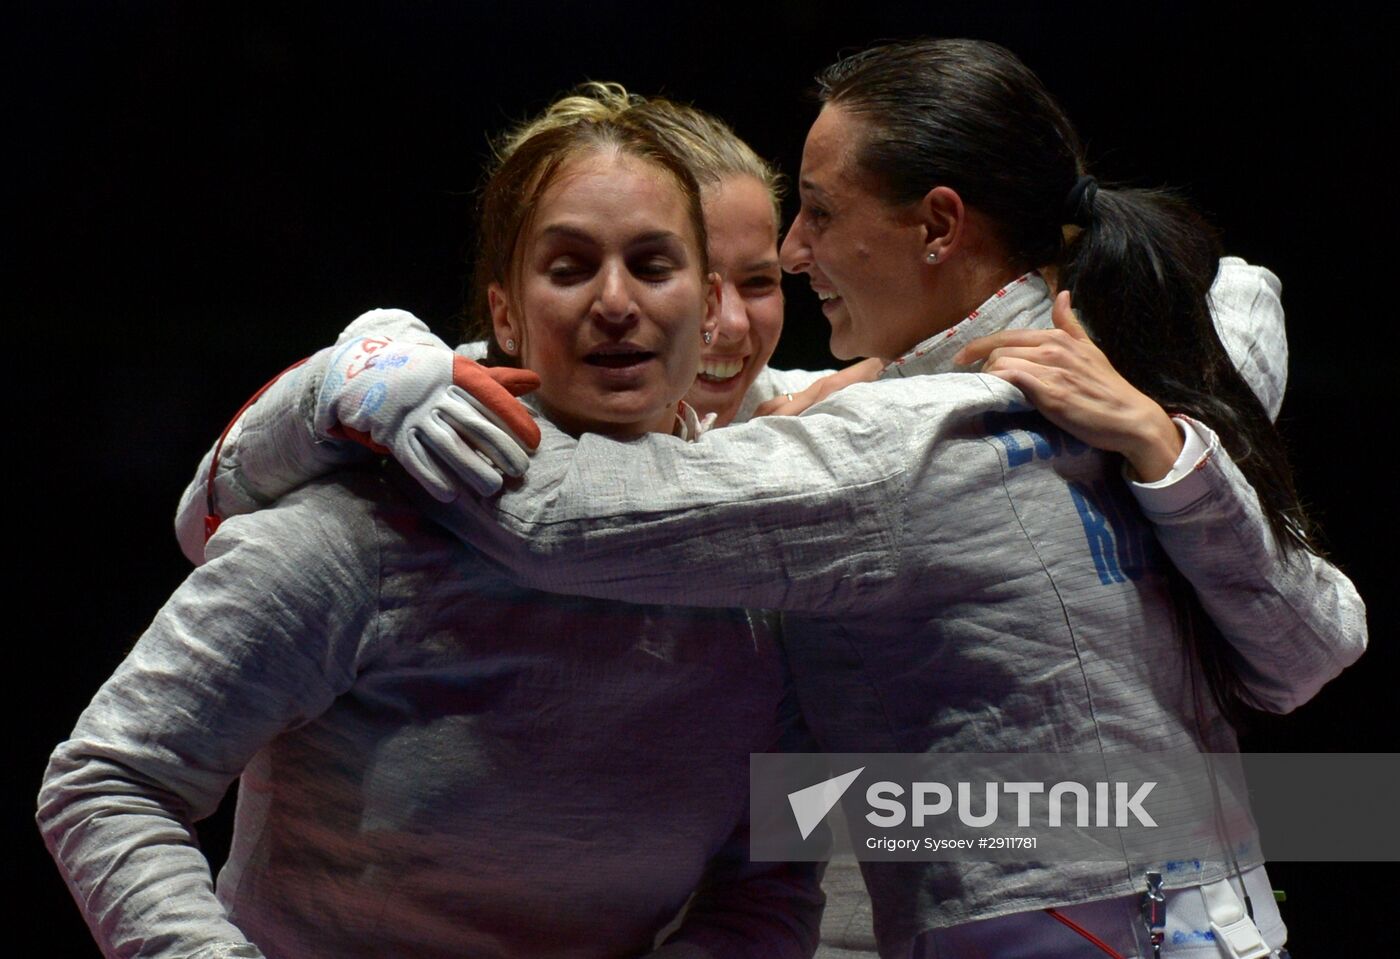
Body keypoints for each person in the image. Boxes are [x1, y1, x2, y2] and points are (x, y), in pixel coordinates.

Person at [165, 74, 1361, 956]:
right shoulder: (863, 412)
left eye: (758, 279)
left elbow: (1311, 624)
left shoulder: (904, 427)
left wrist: (1158, 431)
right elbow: (206, 525)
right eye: (600, 268)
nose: (739, 321)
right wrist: (360, 376)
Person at [38, 101, 824, 958]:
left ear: (707, 305)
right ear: (506, 314)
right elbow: (108, 780)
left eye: (651, 264)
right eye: (568, 267)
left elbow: (773, 873)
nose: (614, 302)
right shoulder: (368, 525)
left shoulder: (765, 549)